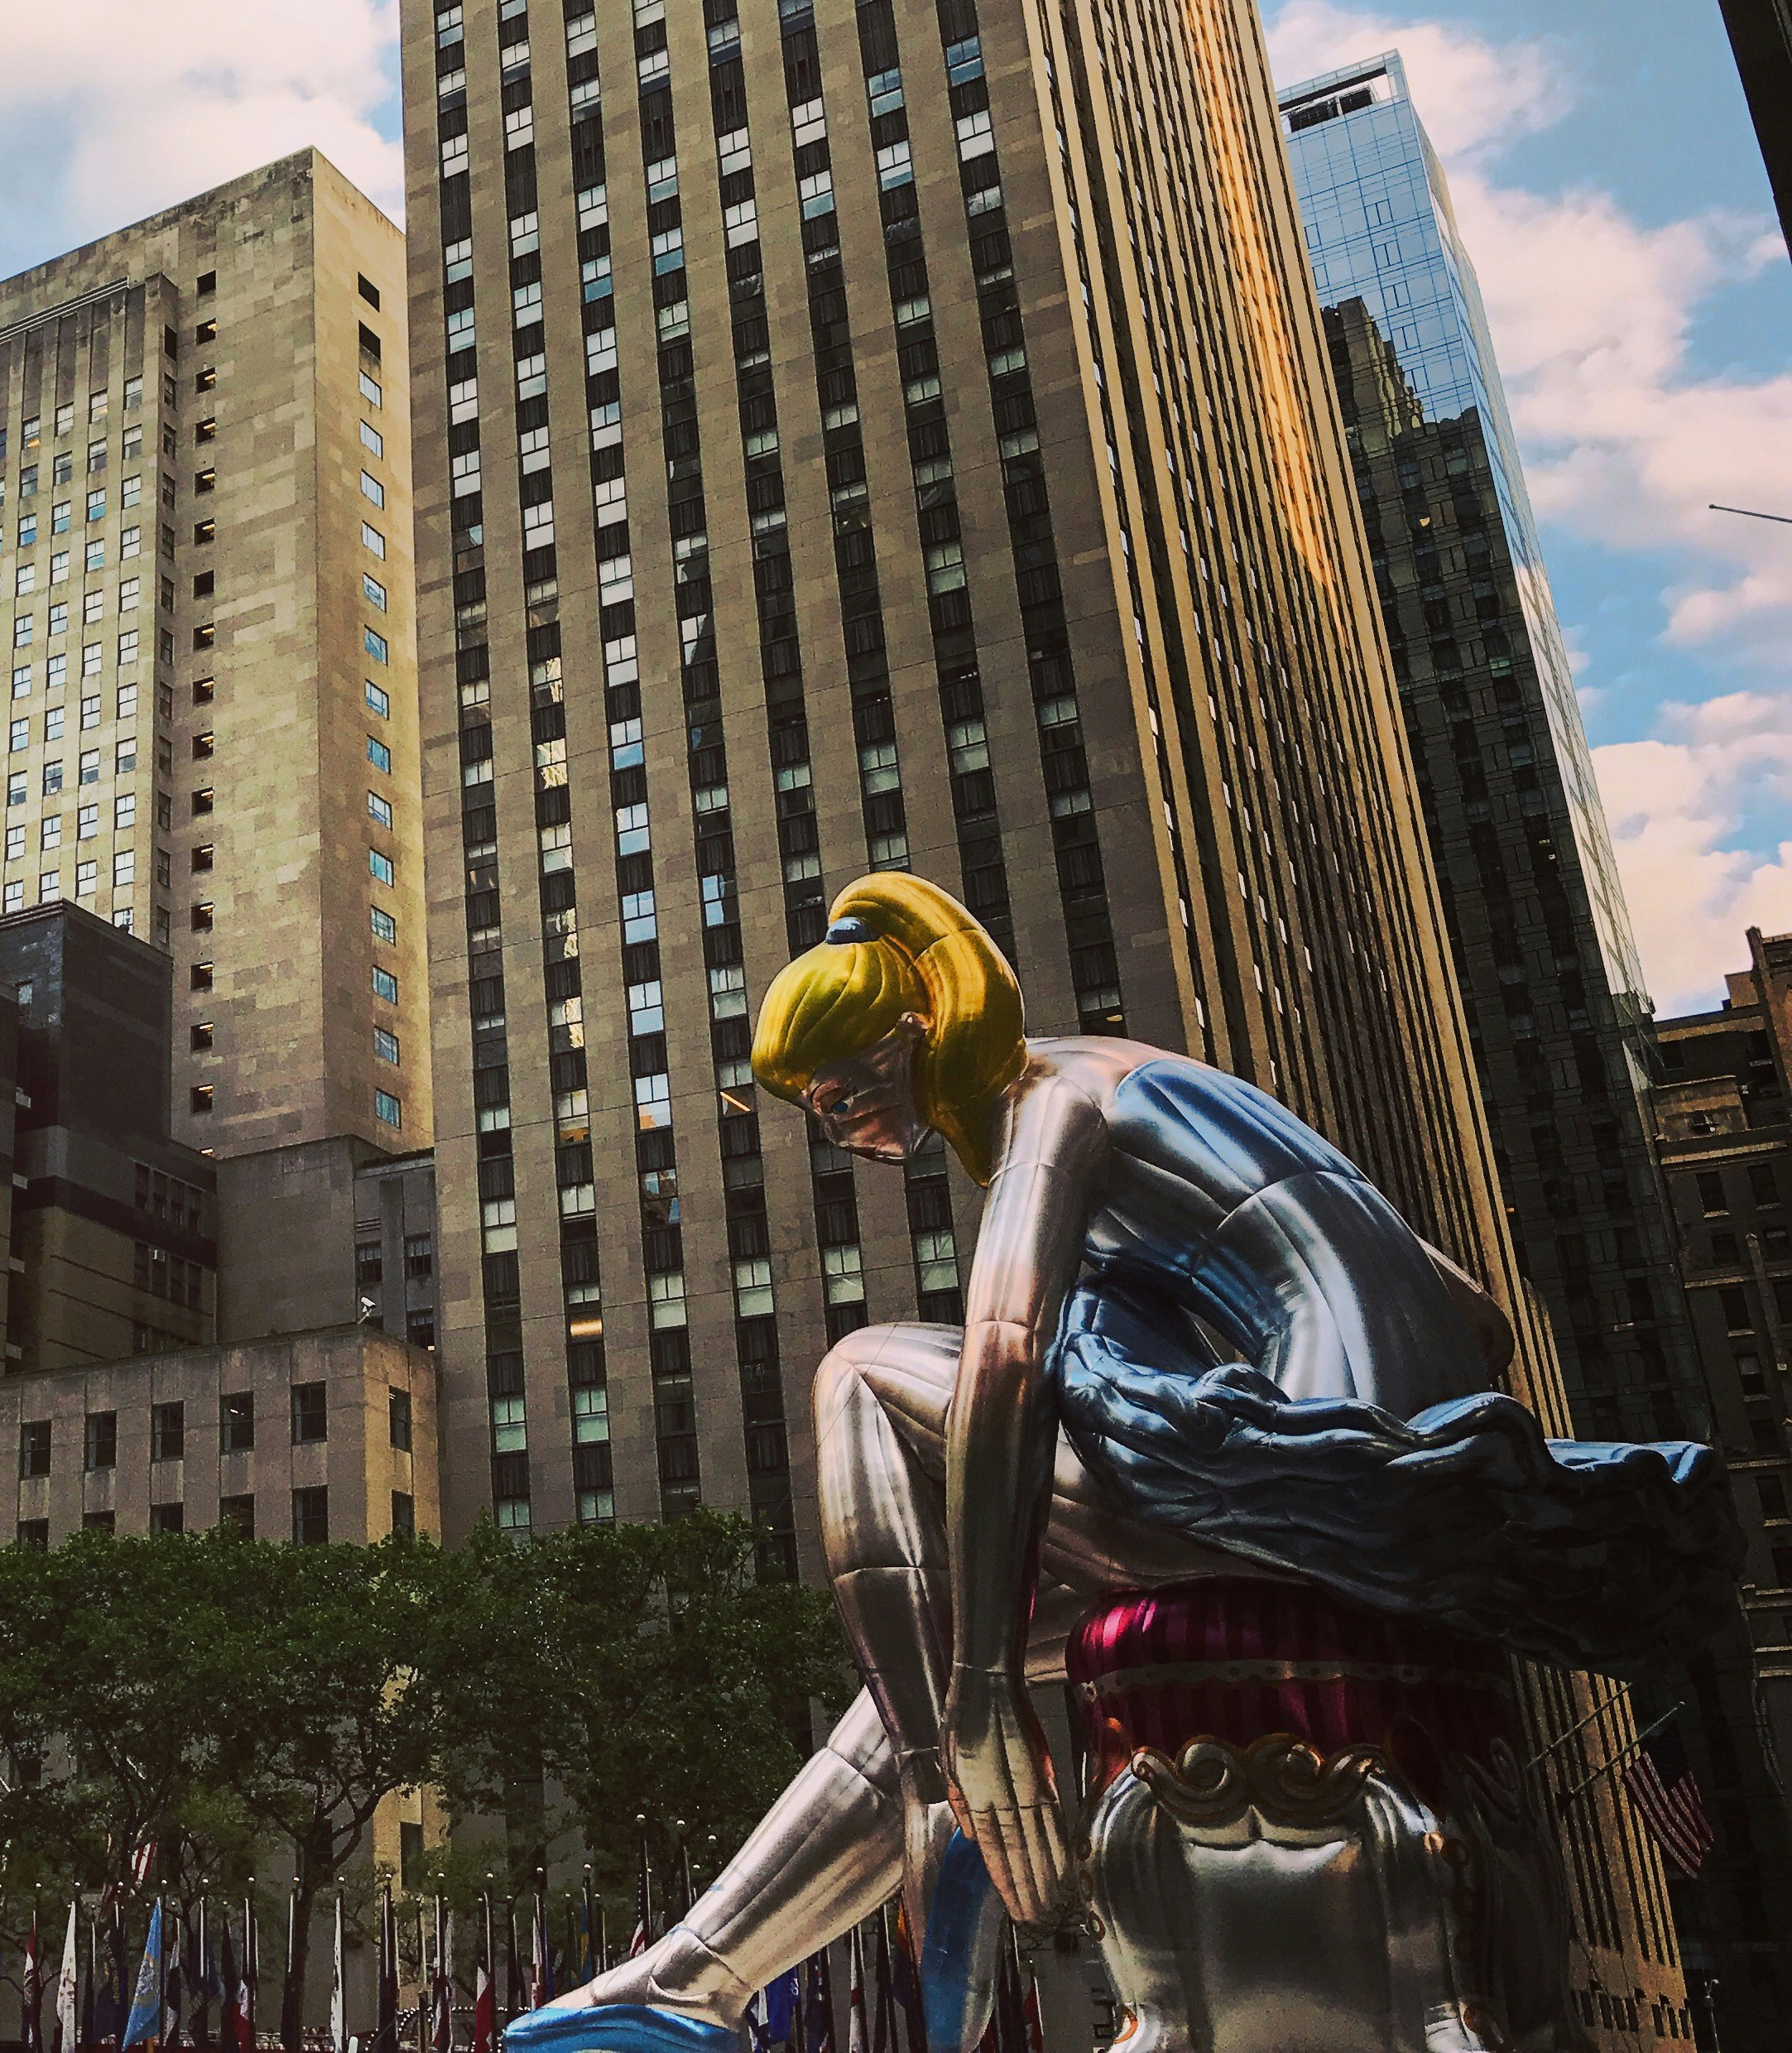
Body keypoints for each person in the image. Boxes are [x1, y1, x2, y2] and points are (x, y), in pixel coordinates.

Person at [507, 874, 1734, 2053]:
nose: (839, 1124)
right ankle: (688, 1984)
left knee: (863, 1371)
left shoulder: (1050, 1104)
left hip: (1308, 1478)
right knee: (937, 1646)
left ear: (918, 1021)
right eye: (816, 1107)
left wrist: (986, 1695)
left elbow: (1000, 1368)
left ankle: (944, 1792)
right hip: (1388, 1486)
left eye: (836, 1090)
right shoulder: (1151, 1081)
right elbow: (1476, 1318)